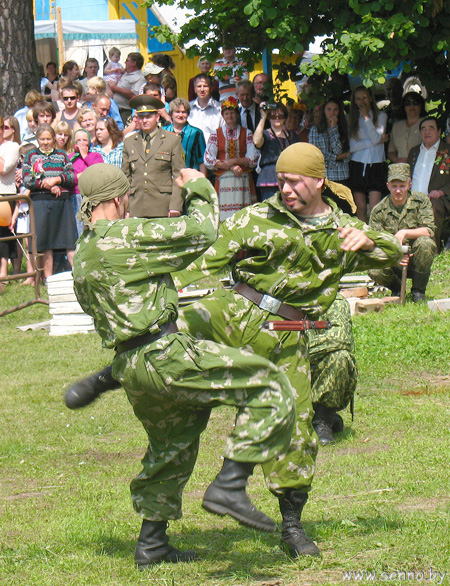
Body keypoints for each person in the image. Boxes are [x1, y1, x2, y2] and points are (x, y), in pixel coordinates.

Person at [64, 143, 403, 558]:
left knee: (293, 427)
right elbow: (206, 254)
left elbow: (393, 254)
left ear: (319, 180)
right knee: (172, 358)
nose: (287, 189)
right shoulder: (256, 217)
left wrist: (367, 245)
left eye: (296, 181)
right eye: (281, 180)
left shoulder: (341, 229)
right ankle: (113, 373)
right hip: (234, 310)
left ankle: (292, 527)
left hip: (285, 332)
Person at [71, 163, 296, 567]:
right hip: (163, 355)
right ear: (118, 199)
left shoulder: (83, 253)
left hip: (130, 364)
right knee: (269, 385)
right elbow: (202, 232)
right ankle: (230, 485)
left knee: (171, 444)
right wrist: (198, 188)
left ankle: (152, 544)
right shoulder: (125, 236)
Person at [369, 163, 436, 302]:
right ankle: (397, 288)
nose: (398, 190)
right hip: (393, 261)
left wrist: (404, 232)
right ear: (388, 186)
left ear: (409, 185)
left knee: (425, 243)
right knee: (373, 265)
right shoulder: (378, 211)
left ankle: (418, 291)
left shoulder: (421, 201)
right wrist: (395, 255)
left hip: (416, 258)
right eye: (394, 186)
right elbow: (375, 241)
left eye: (402, 186)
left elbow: (429, 230)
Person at [22, 124, 76, 280]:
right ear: (38, 139)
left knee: (68, 241)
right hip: (40, 202)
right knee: (44, 242)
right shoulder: (31, 156)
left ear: (53, 139)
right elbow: (27, 179)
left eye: (48, 139)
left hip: (61, 202)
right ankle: (47, 278)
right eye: (42, 139)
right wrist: (47, 185)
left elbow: (71, 176)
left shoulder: (62, 155)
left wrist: (57, 180)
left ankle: (78, 276)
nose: (45, 142)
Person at [121, 95, 185, 218]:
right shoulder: (129, 142)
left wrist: (175, 206)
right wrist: (126, 208)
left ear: (157, 117)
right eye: (141, 117)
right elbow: (125, 178)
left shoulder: (172, 140)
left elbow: (179, 175)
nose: (144, 120)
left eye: (148, 116)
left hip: (163, 207)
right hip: (136, 207)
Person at [307, 294, 357, 445]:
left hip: (313, 369)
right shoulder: (279, 299)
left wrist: (297, 349)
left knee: (340, 357)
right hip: (283, 369)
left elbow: (340, 339)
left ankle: (322, 420)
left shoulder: (333, 301)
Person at [204, 96, 258, 220]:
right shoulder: (216, 134)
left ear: (237, 115)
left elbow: (253, 158)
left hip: (242, 180)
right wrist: (231, 166)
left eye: (232, 113)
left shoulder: (247, 133)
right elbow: (208, 159)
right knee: (224, 217)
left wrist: (234, 161)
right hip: (224, 181)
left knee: (244, 216)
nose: (230, 116)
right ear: (223, 116)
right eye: (227, 113)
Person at [407, 116, 450, 251]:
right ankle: (406, 248)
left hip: (438, 198)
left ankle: (432, 249)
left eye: (431, 128)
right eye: (423, 129)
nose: (427, 132)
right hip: (412, 196)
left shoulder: (447, 151)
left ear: (439, 132)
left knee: (432, 208)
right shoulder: (414, 151)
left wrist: (442, 191)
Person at [348, 86, 388, 221]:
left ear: (370, 98)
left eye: (364, 98)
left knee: (374, 206)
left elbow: (377, 137)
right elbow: (352, 147)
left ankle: (374, 235)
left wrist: (367, 118)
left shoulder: (381, 116)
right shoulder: (352, 119)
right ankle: (362, 236)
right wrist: (375, 141)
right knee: (361, 206)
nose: (362, 101)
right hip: (357, 164)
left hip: (376, 164)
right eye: (358, 99)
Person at [253, 102, 300, 200]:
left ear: (285, 118)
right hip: (269, 175)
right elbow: (257, 141)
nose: (277, 118)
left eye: (281, 116)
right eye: (273, 116)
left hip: (289, 174)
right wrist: (263, 116)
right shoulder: (265, 134)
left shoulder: (293, 136)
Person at [309, 97, 350, 186]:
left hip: (341, 175)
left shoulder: (345, 130)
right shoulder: (315, 130)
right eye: (329, 109)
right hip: (323, 176)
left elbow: (338, 150)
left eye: (335, 110)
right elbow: (316, 154)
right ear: (324, 111)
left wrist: (333, 128)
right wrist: (337, 158)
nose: (332, 112)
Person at [70, 129, 104, 237]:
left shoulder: (95, 156)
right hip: (76, 195)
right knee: (79, 227)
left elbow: (98, 171)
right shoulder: (70, 158)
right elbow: (69, 178)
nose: (81, 143)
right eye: (78, 140)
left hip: (93, 195)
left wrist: (85, 156)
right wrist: (79, 176)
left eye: (84, 140)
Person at [0, 115, 20, 288]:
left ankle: (4, 272)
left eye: (5, 127)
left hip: (5, 194)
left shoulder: (13, 147)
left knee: (4, 234)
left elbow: (4, 169)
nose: (3, 130)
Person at [166, 98, 206, 173]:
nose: (180, 115)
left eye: (184, 112)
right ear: (171, 114)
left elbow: (202, 161)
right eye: (177, 112)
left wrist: (202, 181)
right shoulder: (163, 132)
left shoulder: (196, 133)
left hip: (190, 179)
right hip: (167, 179)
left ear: (188, 114)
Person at [388, 92, 426, 163]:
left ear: (421, 106)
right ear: (404, 107)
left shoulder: (427, 124)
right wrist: (397, 160)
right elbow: (391, 151)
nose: (412, 106)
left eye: (415, 103)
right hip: (401, 168)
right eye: (408, 103)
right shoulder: (396, 126)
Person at [108, 52, 145, 124]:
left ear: (134, 63)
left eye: (127, 60)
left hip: (125, 112)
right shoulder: (125, 73)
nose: (125, 62)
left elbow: (134, 94)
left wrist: (115, 88)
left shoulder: (140, 78)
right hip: (115, 109)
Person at [188, 74, 222, 144]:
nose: (202, 89)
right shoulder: (188, 108)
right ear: (194, 89)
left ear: (211, 88)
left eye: (205, 86)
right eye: (199, 86)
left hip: (213, 151)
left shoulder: (219, 109)